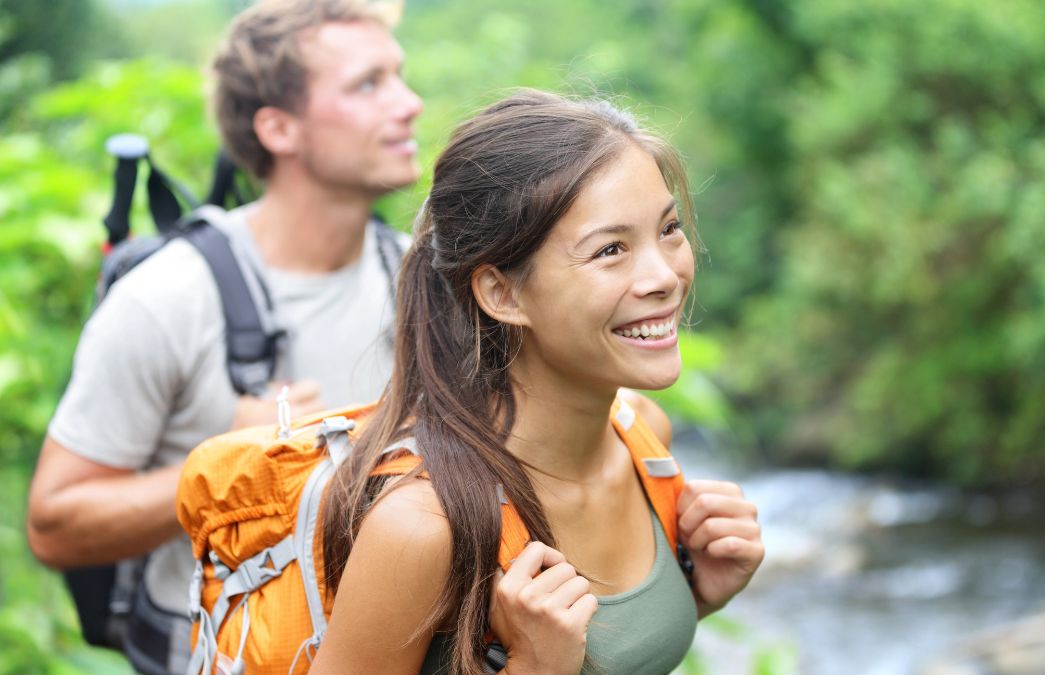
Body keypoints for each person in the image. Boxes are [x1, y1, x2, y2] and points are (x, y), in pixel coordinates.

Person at [25, 1, 423, 673]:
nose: (409, 103)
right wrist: (238, 464)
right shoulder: (170, 297)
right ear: (277, 127)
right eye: (367, 84)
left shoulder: (420, 279)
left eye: (399, 76)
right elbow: (54, 523)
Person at [310, 90, 764, 674]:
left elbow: (615, 655)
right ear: (503, 293)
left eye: (669, 228)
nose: (664, 276)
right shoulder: (422, 528)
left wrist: (699, 594)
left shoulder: (642, 439)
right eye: (610, 250)